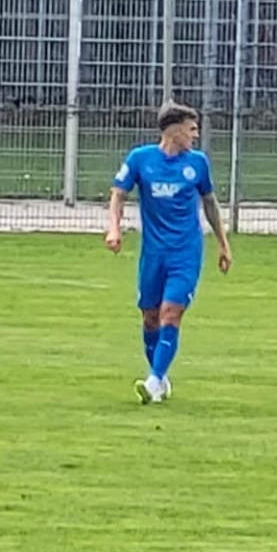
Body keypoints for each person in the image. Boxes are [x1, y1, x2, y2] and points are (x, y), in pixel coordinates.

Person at [105, 101, 233, 405]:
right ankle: (160, 377)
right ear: (174, 131)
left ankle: (152, 382)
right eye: (192, 129)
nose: (196, 135)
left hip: (185, 253)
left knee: (170, 313)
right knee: (150, 317)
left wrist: (223, 243)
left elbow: (210, 203)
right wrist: (114, 229)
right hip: (153, 253)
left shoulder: (197, 163)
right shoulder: (140, 159)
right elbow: (118, 195)